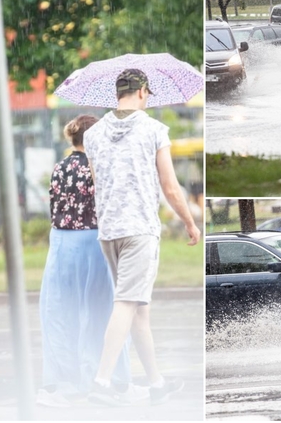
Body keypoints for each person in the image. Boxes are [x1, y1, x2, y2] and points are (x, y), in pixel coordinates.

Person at [83, 69, 201, 406]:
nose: (148, 98)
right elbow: (170, 185)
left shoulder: (93, 134)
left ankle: (156, 383)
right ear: (142, 91)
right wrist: (190, 223)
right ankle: (101, 383)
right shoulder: (153, 130)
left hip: (110, 231)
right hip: (139, 229)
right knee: (126, 304)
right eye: (147, 94)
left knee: (137, 309)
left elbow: (98, 183)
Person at [37, 115, 145, 407]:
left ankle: (64, 381)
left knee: (61, 313)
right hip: (93, 242)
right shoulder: (99, 168)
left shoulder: (60, 168)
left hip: (60, 244)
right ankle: (113, 381)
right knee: (105, 313)